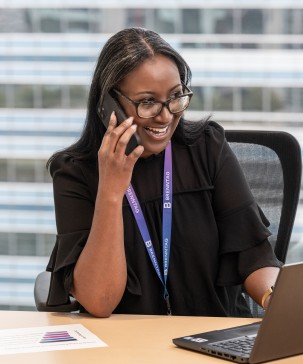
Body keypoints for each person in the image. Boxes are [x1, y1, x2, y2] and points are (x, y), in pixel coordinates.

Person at [46, 27, 281, 318]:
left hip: (213, 343)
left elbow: (254, 258)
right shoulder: (75, 173)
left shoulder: (207, 148)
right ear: (109, 104)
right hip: (125, 354)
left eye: (175, 97)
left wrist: (276, 299)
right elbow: (99, 301)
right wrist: (110, 190)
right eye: (147, 102)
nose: (166, 115)